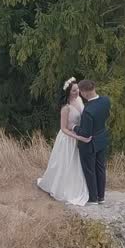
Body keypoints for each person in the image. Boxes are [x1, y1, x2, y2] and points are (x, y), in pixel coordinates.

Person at [36, 77, 91, 205]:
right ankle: (63, 188)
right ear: (68, 92)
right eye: (74, 91)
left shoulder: (79, 99)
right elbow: (63, 128)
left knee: (77, 165)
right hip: (68, 139)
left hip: (78, 134)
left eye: (77, 89)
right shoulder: (66, 108)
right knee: (66, 164)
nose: (77, 92)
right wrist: (79, 137)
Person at [74, 79, 110, 205]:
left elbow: (85, 133)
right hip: (102, 139)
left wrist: (74, 127)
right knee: (100, 168)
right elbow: (106, 116)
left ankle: (93, 198)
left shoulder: (88, 111)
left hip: (89, 145)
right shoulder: (105, 100)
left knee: (90, 170)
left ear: (84, 93)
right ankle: (101, 197)